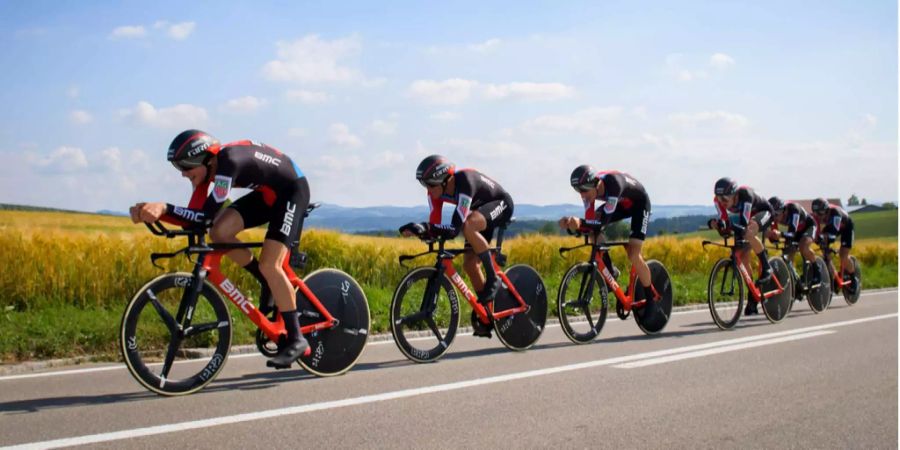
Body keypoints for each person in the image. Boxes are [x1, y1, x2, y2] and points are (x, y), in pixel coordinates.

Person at [129, 129, 310, 368]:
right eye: (178, 167)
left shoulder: (228, 164)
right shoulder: (208, 173)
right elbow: (195, 220)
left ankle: (298, 339)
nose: (183, 174)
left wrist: (164, 208)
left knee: (271, 264)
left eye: (185, 166)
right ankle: (266, 280)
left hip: (291, 192)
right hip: (267, 195)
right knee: (219, 232)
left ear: (205, 158)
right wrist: (152, 214)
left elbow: (202, 216)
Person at [399, 155, 514, 338]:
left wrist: (428, 228)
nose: (427, 189)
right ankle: (487, 313)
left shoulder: (465, 183)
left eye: (430, 184)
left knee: (468, 225)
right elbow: (435, 223)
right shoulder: (434, 193)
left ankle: (493, 278)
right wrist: (422, 231)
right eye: (424, 185)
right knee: (469, 265)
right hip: (479, 213)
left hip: (501, 204)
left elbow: (454, 228)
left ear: (445, 179)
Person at [558, 166, 654, 310]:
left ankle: (651, 299)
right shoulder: (589, 193)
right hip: (621, 205)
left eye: (583, 189)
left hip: (639, 205)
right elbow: (592, 225)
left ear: (596, 183)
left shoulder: (613, 183)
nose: (582, 195)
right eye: (578, 190)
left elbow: (601, 222)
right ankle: (610, 271)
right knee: (593, 232)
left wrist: (581, 223)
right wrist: (573, 226)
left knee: (633, 254)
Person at [707, 177, 774, 315]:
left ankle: (767, 266)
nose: (722, 202)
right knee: (742, 257)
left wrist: (728, 225)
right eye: (719, 199)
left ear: (735, 194)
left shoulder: (745, 195)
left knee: (749, 231)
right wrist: (717, 225)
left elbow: (743, 224)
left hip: (764, 212)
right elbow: (724, 225)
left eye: (725, 198)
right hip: (748, 217)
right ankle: (752, 296)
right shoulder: (719, 202)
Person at [766, 196, 820, 286]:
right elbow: (774, 238)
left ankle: (817, 271)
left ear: (784, 210)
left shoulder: (793, 210)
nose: (774, 218)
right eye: (772, 215)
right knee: (787, 254)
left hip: (809, 226)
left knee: (803, 247)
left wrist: (780, 234)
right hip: (796, 230)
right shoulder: (775, 217)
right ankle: (794, 280)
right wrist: (772, 236)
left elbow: (791, 234)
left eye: (776, 214)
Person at [810, 197, 857, 290]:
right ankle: (834, 276)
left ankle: (853, 277)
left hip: (846, 227)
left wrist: (826, 238)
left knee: (843, 255)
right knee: (824, 249)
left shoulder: (835, 213)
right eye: (816, 213)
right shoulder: (816, 216)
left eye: (820, 213)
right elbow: (817, 232)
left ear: (827, 210)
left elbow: (833, 234)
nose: (818, 216)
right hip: (831, 226)